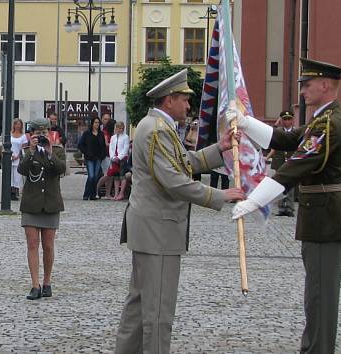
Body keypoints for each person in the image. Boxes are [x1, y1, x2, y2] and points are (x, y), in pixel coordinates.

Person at [114, 69, 245, 354]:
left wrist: (218, 148)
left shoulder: (158, 127)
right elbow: (174, 181)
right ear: (169, 100)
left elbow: (183, 162)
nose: (188, 105)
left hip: (151, 230)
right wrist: (220, 195)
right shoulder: (158, 130)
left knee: (138, 309)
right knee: (158, 314)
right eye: (185, 99)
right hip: (158, 232)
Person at [232, 58, 341, 354]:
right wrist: (246, 122)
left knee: (321, 297)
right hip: (319, 216)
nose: (303, 90)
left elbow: (295, 166)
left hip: (326, 219)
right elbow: (284, 139)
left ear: (325, 85)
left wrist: (254, 201)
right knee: (315, 295)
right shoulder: (320, 120)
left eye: (308, 84)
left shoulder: (330, 123)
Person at [18, 117, 66, 300]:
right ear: (32, 135)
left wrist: (49, 152)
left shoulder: (58, 150)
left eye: (44, 133)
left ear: (50, 133)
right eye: (38, 133)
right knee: (32, 243)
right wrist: (31, 152)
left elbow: (61, 169)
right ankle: (35, 284)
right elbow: (22, 170)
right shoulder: (26, 150)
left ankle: (47, 282)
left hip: (51, 202)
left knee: (48, 245)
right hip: (31, 202)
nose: (41, 136)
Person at [266, 110, 297, 216]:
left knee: (290, 185)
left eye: (289, 119)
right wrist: (267, 157)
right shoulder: (278, 131)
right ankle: (281, 208)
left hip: (292, 161)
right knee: (279, 184)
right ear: (281, 120)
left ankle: (289, 208)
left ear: (292, 120)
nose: (287, 121)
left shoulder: (296, 131)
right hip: (279, 161)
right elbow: (271, 139)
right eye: (284, 119)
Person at [78, 116, 106, 200]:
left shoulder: (101, 134)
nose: (97, 124)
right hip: (89, 158)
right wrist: (86, 152)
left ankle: (93, 194)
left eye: (98, 122)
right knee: (91, 176)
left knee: (96, 176)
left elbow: (103, 146)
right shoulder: (87, 133)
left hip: (98, 158)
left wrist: (103, 155)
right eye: (95, 122)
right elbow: (81, 145)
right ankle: (86, 194)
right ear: (92, 124)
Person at [108, 121, 130, 200]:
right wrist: (113, 157)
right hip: (114, 159)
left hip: (122, 159)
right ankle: (116, 193)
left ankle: (121, 193)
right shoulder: (113, 137)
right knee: (116, 176)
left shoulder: (125, 137)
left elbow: (125, 149)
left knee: (122, 176)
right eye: (118, 128)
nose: (119, 130)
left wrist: (119, 157)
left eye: (121, 128)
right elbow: (111, 148)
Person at [10, 118, 28, 200]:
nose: (17, 126)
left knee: (17, 176)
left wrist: (17, 156)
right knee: (10, 175)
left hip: (18, 157)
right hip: (9, 156)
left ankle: (15, 191)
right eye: (16, 124)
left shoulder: (23, 136)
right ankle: (9, 191)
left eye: (19, 124)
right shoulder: (9, 134)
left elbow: (24, 149)